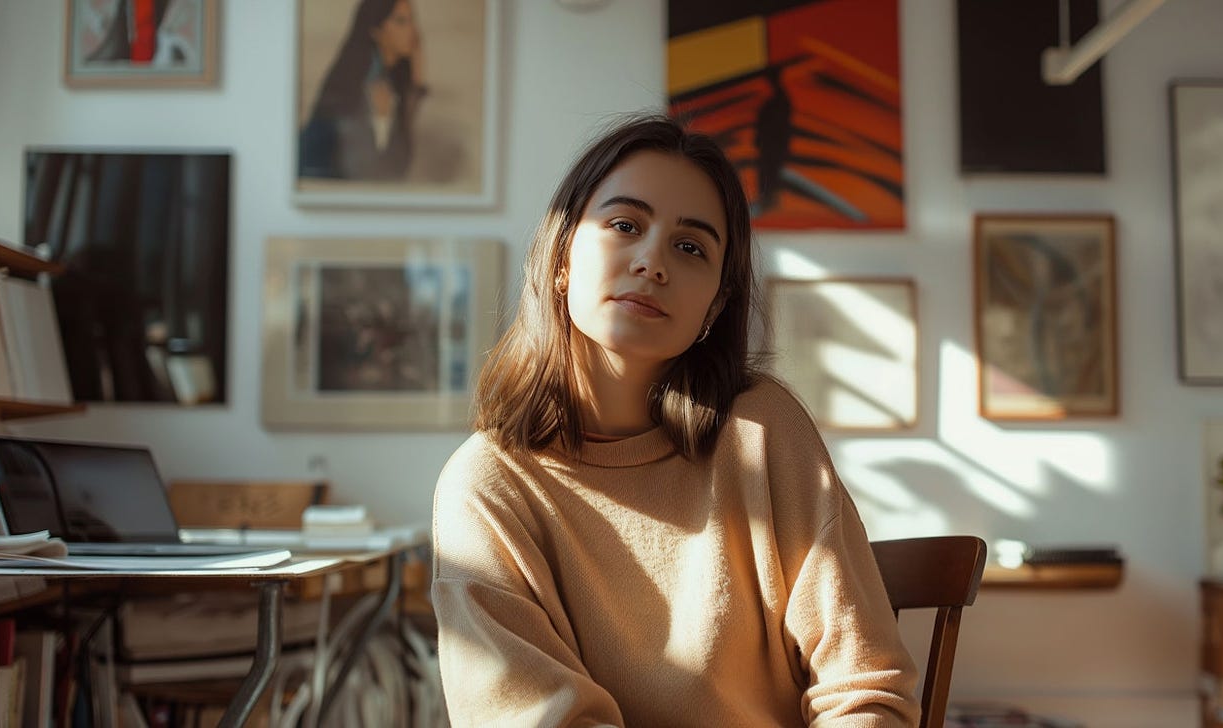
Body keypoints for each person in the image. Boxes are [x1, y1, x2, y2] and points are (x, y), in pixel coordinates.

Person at [430, 114, 920, 726]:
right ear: (560, 256)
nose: (652, 262)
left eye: (690, 247)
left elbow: (867, 688)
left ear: (715, 304)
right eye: (624, 225)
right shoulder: (485, 486)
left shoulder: (763, 430)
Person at [297, 0, 426, 181]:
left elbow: (400, 163)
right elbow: (362, 166)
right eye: (401, 21)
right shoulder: (356, 83)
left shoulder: (392, 81)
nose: (413, 31)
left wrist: (417, 77)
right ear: (376, 31)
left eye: (412, 20)